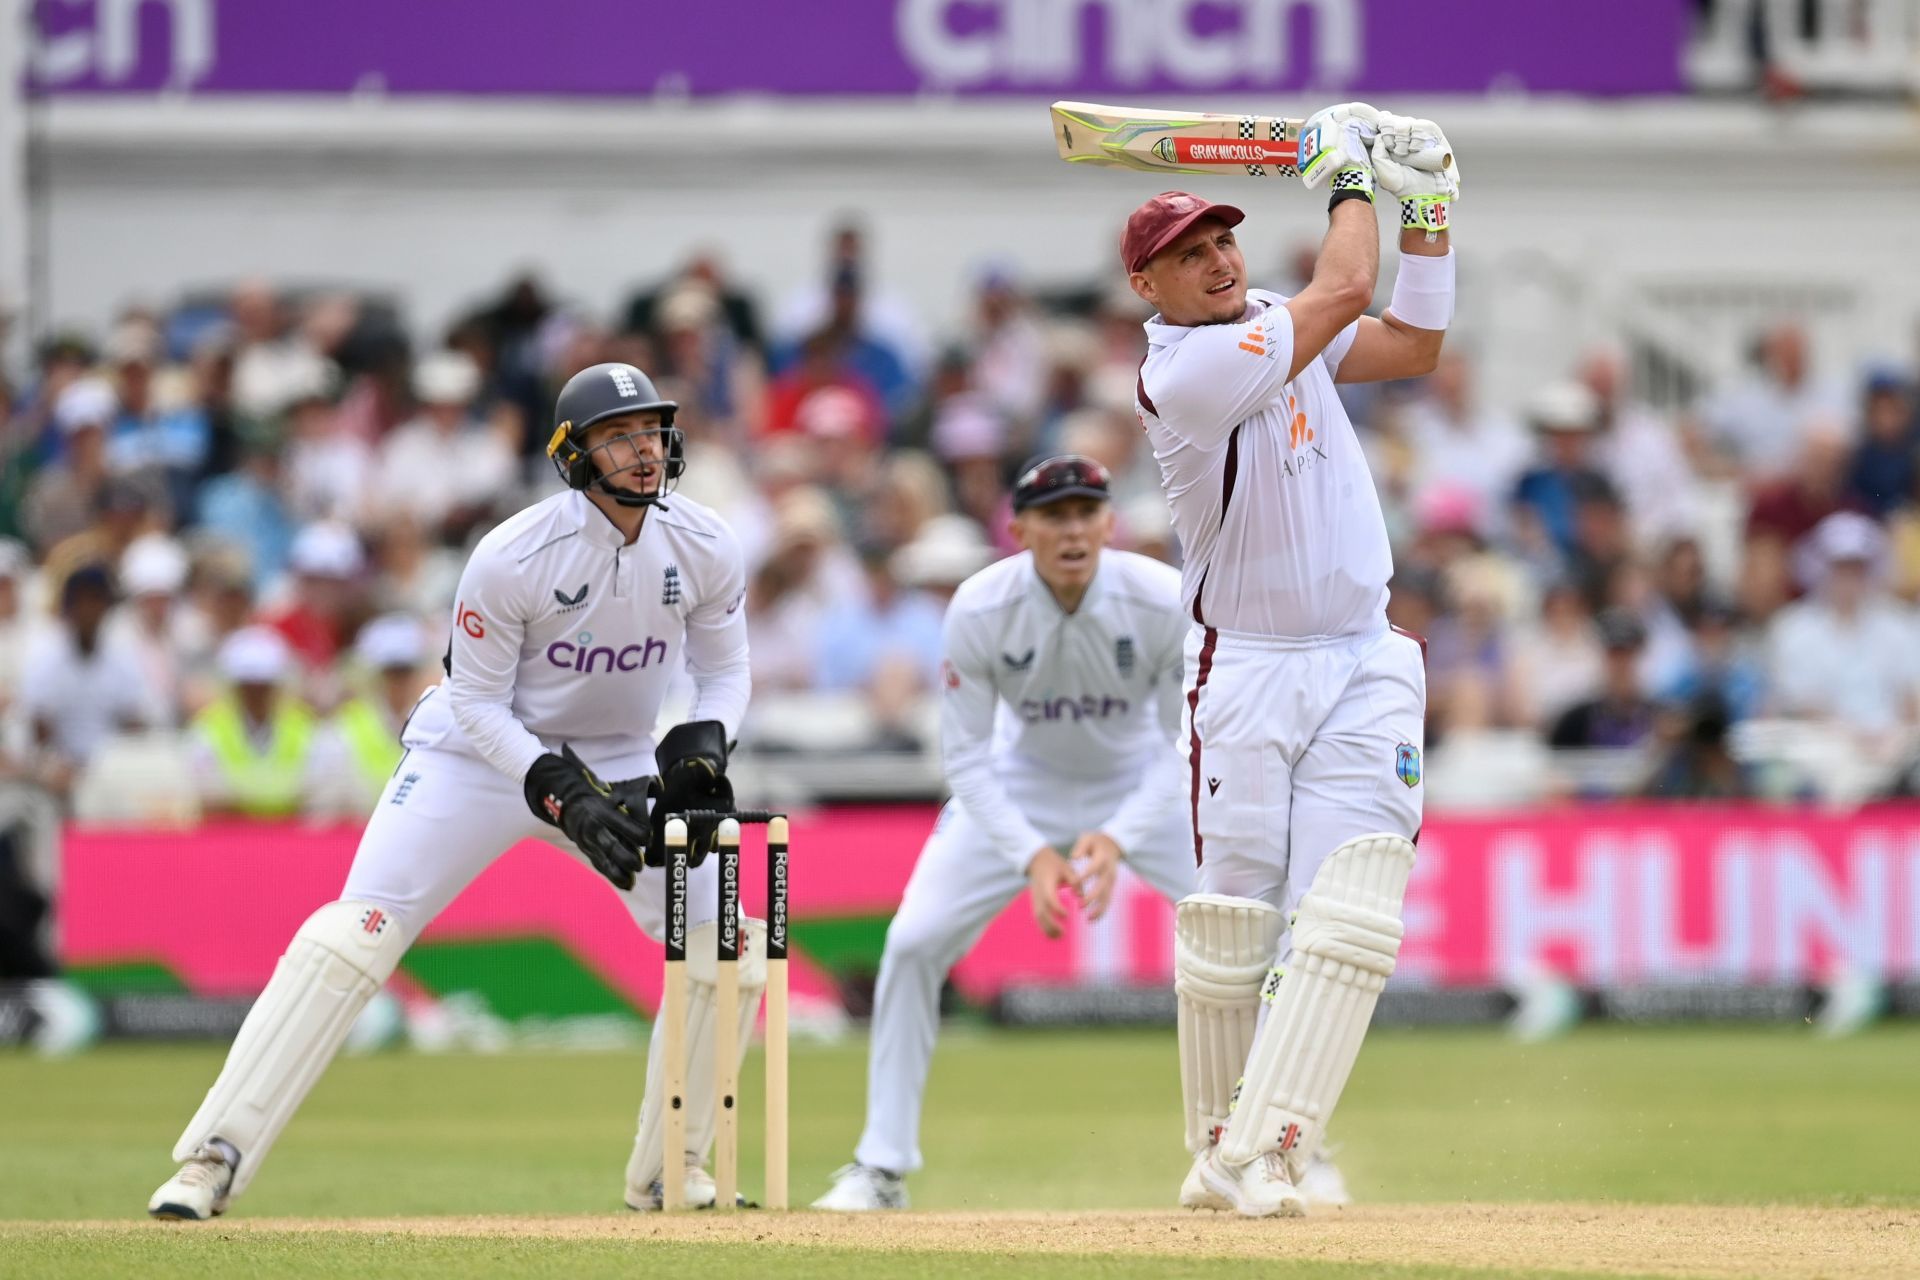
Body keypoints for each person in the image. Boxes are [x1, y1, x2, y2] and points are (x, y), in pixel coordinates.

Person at [146, 362, 751, 1220]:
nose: (643, 451)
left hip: (618, 758)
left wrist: (701, 749)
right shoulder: (512, 556)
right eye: (618, 437)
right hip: (473, 757)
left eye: (650, 430)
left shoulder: (706, 542)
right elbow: (474, 701)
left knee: (724, 938)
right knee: (354, 934)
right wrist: (555, 788)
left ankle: (672, 1174)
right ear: (573, 454)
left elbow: (726, 672)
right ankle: (213, 1158)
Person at [1125, 104, 1456, 1216]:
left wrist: (1433, 213)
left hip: (1364, 652)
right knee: (1235, 917)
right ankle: (1218, 1144)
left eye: (1223, 240)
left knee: (1352, 908)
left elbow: (1412, 343)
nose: (1219, 260)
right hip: (1249, 664)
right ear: (1149, 289)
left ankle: (1271, 1149)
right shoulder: (1185, 374)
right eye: (1189, 254)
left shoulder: (1276, 315)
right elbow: (1350, 290)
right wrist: (1344, 179)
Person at [812, 454, 1196, 1211]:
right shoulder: (981, 608)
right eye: (1053, 517)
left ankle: (1284, 1149)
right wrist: (1032, 855)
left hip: (1140, 784)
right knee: (914, 944)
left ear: (1110, 524)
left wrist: (1116, 837)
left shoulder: (1161, 599)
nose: (1073, 530)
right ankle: (881, 1168)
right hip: (1021, 787)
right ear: (1019, 531)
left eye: (1087, 513)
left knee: (1239, 936)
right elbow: (965, 759)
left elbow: (1186, 743)